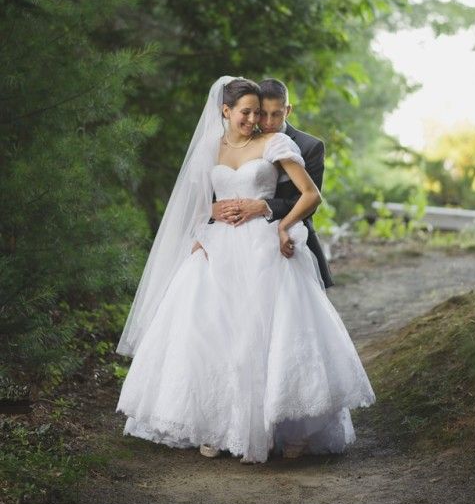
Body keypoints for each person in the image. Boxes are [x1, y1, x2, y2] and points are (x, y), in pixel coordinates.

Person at [116, 77, 374, 463]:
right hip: (220, 246)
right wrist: (209, 216)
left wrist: (281, 224)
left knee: (273, 333)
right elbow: (194, 203)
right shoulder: (209, 148)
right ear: (225, 111)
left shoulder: (274, 143)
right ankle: (218, 426)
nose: (255, 119)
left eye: (259, 112)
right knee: (213, 331)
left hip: (263, 245)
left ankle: (289, 428)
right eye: (247, 112)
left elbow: (310, 195)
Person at [211, 78, 334, 288]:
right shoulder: (229, 143)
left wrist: (264, 206)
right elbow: (220, 191)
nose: (267, 122)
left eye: (276, 114)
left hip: (286, 235)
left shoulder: (309, 146)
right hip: (230, 238)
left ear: (288, 110)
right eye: (262, 113)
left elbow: (308, 199)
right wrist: (212, 209)